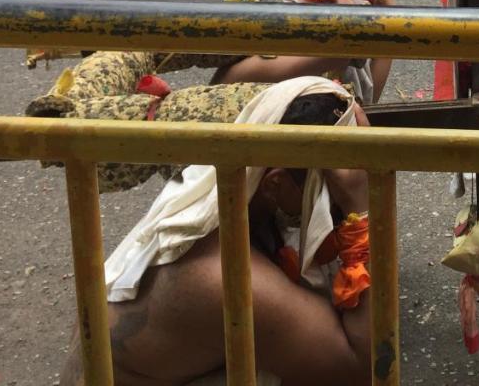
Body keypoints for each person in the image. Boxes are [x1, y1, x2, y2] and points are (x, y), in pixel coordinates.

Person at [59, 78, 378, 386]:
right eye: (329, 192)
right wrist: (361, 207)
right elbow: (363, 366)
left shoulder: (213, 182)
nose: (336, 204)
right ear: (275, 184)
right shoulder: (228, 276)